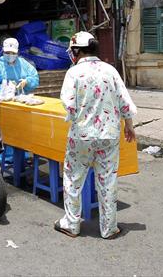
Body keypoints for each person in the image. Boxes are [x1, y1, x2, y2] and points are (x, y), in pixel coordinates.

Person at [54, 32, 137, 240]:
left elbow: (69, 105)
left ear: (76, 51)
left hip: (81, 136)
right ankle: (109, 228)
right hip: (109, 135)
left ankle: (72, 224)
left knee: (73, 179)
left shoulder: (73, 73)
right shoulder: (110, 70)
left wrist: (77, 114)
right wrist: (129, 126)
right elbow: (124, 101)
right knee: (108, 180)